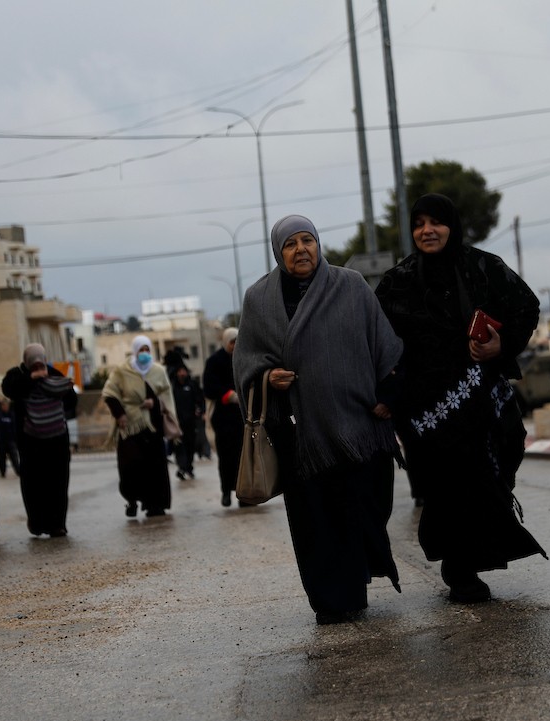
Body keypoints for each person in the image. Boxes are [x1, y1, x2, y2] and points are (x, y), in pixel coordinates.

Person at [233, 214, 404, 625]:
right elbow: (246, 361)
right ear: (278, 252)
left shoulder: (351, 286)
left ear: (318, 244)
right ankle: (330, 599)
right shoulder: (260, 299)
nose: (300, 250)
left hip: (357, 426)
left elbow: (383, 343)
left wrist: (387, 395)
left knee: (362, 508)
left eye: (307, 240)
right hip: (298, 433)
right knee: (315, 521)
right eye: (290, 245)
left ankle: (355, 580)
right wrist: (266, 377)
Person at [376, 193, 546, 604]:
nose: (427, 231)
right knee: (446, 486)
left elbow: (527, 307)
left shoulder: (482, 267)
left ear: (452, 225)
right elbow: (377, 340)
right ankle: (461, 570)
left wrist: (500, 346)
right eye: (419, 223)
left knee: (500, 461)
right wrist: (385, 394)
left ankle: (481, 549)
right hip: (425, 411)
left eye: (436, 222)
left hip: (484, 399)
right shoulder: (397, 281)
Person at [2, 343, 79, 536]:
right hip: (30, 443)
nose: (37, 365)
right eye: (33, 362)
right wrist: (31, 378)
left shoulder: (54, 373)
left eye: (40, 360)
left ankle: (57, 524)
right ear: (26, 361)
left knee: (58, 483)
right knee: (34, 484)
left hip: (57, 440)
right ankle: (36, 522)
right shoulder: (17, 375)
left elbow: (71, 401)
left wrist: (56, 386)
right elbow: (9, 389)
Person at [102, 335, 175, 517]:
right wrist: (120, 414)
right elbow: (110, 393)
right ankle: (132, 500)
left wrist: (155, 403)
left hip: (152, 428)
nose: (144, 354)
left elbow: (166, 396)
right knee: (130, 467)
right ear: (135, 351)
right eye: (141, 350)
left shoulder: (158, 371)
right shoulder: (122, 371)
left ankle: (155, 505)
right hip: (130, 427)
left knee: (155, 467)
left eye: (147, 350)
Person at [202, 327, 243, 507]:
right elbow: (209, 387)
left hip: (242, 418)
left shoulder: (244, 358)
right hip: (223, 419)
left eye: (237, 341)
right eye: (232, 342)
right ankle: (226, 491)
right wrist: (228, 395)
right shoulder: (214, 361)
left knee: (244, 459)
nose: (235, 346)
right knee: (226, 458)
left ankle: (245, 494)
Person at [171, 364, 204, 480]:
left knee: (190, 446)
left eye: (183, 371)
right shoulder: (173, 387)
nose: (182, 373)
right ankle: (182, 468)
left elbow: (200, 399)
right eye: (180, 371)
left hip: (191, 422)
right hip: (177, 423)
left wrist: (200, 410)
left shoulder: (192, 385)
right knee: (179, 446)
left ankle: (189, 468)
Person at [0, 399, 21, 477]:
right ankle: (2, 472)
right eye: (4, 405)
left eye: (7, 405)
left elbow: (15, 427)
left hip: (11, 440)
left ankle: (18, 471)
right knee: (1, 457)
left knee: (14, 456)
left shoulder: (12, 415)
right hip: (1, 440)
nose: (6, 407)